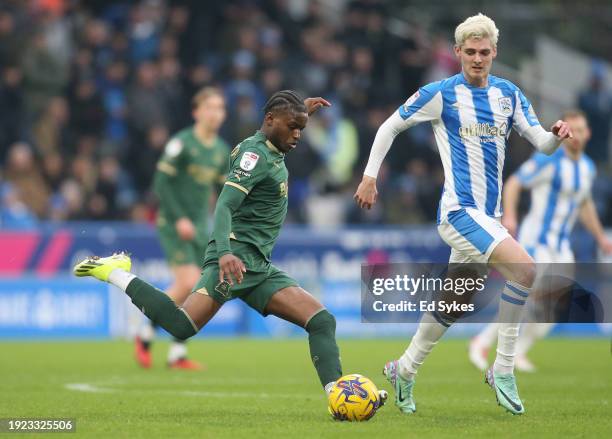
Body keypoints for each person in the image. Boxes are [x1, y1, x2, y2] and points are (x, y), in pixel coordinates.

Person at [74, 90, 358, 408]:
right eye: (292, 127)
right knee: (182, 325)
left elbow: (281, 128)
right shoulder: (254, 155)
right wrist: (224, 252)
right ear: (270, 120)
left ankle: (338, 397)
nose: (297, 135)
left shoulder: (271, 145)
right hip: (234, 260)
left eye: (300, 129)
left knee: (321, 320)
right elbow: (224, 205)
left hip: (258, 267)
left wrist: (300, 112)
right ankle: (113, 272)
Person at [354, 13, 572, 415]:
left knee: (455, 300)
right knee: (524, 270)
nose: (476, 58)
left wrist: (556, 137)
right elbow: (388, 126)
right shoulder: (440, 93)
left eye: (484, 52)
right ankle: (503, 369)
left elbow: (540, 141)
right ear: (456, 53)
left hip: (488, 216)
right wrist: (370, 177)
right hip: (458, 212)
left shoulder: (508, 94)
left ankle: (403, 369)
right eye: (469, 52)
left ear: (494, 53)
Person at [469, 110, 612, 373]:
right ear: (566, 133)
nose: (577, 136)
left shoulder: (587, 168)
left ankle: (516, 353)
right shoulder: (549, 161)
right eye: (573, 130)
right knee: (527, 297)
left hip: (561, 248)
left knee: (555, 308)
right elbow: (513, 183)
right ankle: (482, 341)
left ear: (588, 133)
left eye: (581, 130)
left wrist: (600, 236)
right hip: (537, 241)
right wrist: (509, 216)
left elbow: (584, 204)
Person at [134, 87, 230, 370]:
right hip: (174, 223)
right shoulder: (182, 143)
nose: (216, 113)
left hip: (201, 227)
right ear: (196, 112)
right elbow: (161, 184)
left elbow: (225, 191)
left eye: (220, 108)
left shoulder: (222, 150)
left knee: (201, 289)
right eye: (210, 107)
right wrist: (179, 218)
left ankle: (175, 351)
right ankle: (145, 333)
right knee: (188, 282)